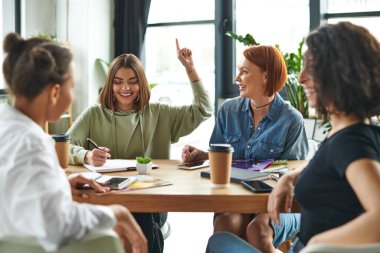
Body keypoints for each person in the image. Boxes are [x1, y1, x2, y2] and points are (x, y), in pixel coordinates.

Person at [206, 21, 380, 253]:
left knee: (218, 244)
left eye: (313, 68)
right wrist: (290, 179)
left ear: (342, 73)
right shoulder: (352, 133)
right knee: (222, 236)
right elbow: (330, 164)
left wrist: (319, 245)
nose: (301, 78)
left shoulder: (351, 143)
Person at [0, 33, 147, 252]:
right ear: (55, 92)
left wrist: (59, 184)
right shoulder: (32, 142)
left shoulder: (8, 126)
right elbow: (57, 224)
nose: (73, 97)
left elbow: (14, 193)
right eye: (72, 87)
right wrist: (117, 212)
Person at [67, 39, 212, 253]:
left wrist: (190, 69)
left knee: (141, 213)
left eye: (132, 81)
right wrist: (86, 155)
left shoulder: (160, 113)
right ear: (110, 84)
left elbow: (203, 109)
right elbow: (63, 144)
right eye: (118, 82)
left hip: (151, 200)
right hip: (108, 197)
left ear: (141, 83)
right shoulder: (94, 114)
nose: (125, 88)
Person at [182, 44, 308, 248]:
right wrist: (203, 156)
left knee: (257, 230)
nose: (236, 78)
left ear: (266, 76)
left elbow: (294, 174)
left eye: (244, 72)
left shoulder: (291, 120)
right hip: (236, 200)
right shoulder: (228, 110)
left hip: (274, 204)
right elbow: (222, 158)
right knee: (225, 224)